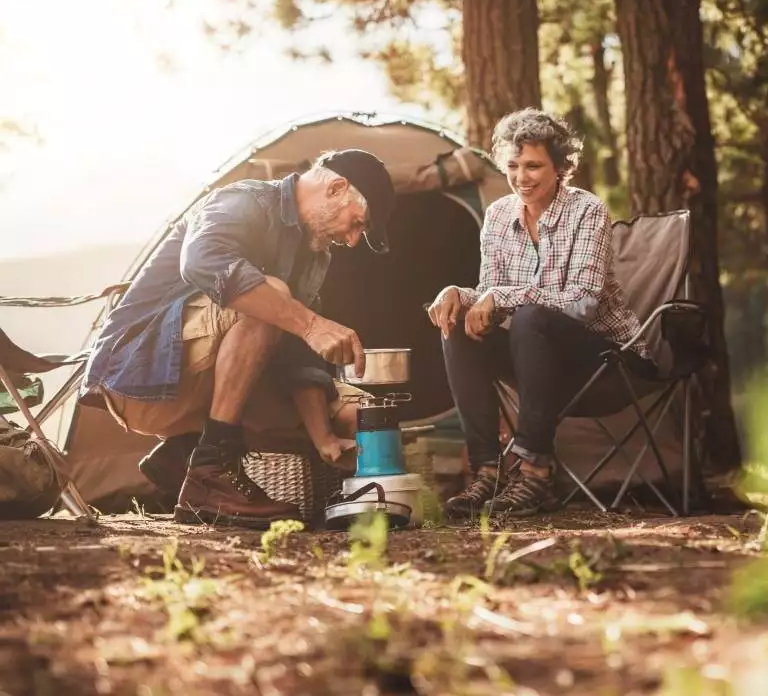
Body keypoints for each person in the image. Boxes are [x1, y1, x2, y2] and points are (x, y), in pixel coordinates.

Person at [82, 149, 394, 527]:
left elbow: (298, 354)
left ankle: (189, 455)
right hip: (141, 372)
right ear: (336, 187)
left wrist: (324, 437)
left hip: (210, 386)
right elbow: (203, 261)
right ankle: (209, 470)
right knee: (271, 293)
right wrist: (311, 323)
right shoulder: (244, 200)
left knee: (364, 412)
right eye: (357, 223)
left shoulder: (315, 256)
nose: (354, 239)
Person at [427, 109, 654, 519]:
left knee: (530, 315)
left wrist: (500, 298)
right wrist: (457, 294)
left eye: (533, 165)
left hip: (605, 361)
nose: (521, 177)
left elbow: (582, 301)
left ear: (562, 166)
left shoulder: (587, 211)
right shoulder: (497, 217)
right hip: (533, 356)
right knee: (459, 325)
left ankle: (535, 472)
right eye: (512, 166)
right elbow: (488, 295)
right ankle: (487, 470)